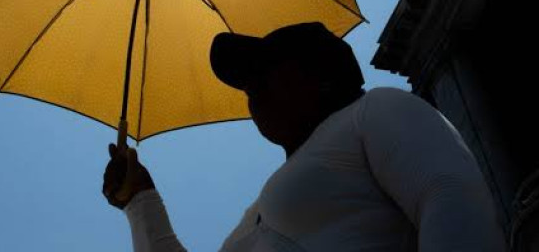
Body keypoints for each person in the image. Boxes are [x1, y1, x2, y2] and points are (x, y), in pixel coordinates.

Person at [103, 22, 505, 251]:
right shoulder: (257, 212)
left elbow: (448, 194)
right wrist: (141, 199)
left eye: (266, 70)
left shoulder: (375, 109)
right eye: (247, 82)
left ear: (321, 78)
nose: (251, 89)